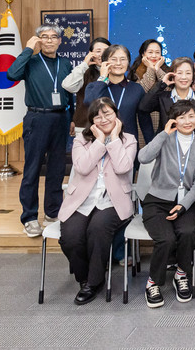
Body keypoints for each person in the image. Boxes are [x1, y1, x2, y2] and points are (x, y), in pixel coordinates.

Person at [58, 98, 136, 305]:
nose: (103, 119)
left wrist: (114, 139)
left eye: (108, 114)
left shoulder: (128, 140)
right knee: (70, 238)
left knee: (98, 229)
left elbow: (122, 167)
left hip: (112, 201)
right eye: (98, 116)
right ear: (91, 120)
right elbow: (82, 167)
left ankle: (93, 282)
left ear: (116, 115)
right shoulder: (81, 140)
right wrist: (100, 141)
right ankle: (85, 278)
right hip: (81, 201)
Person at [137, 100, 195, 308]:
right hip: (157, 201)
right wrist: (163, 134)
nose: (187, 121)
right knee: (166, 239)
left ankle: (181, 273)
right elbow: (143, 157)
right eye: (181, 117)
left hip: (186, 202)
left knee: (188, 232)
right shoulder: (165, 138)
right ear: (173, 120)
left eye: (191, 116)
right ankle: (153, 282)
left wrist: (184, 205)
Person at [7, 23, 72, 237]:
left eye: (54, 37)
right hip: (37, 118)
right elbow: (11, 74)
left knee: (56, 169)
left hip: (61, 118)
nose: (50, 40)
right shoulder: (31, 61)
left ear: (60, 41)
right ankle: (29, 217)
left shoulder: (65, 63)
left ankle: (52, 213)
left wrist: (71, 118)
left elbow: (70, 92)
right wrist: (28, 49)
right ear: (38, 40)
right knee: (33, 169)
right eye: (45, 36)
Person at [84, 44, 154, 144]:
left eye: (123, 59)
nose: (118, 63)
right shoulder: (94, 87)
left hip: (129, 145)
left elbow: (145, 122)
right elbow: (89, 102)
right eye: (113, 59)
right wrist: (103, 78)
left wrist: (152, 146)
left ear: (128, 62)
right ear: (105, 63)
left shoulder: (137, 88)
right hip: (100, 144)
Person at [138, 56, 195, 141]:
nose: (184, 77)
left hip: (194, 147)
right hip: (165, 146)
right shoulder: (163, 97)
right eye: (179, 73)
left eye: (188, 73)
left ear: (193, 77)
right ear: (172, 76)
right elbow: (143, 107)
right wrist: (162, 84)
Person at [61, 37, 111, 133]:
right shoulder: (85, 71)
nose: (102, 54)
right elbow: (67, 86)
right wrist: (84, 64)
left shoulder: (115, 72)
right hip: (84, 126)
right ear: (90, 54)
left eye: (106, 51)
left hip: (110, 126)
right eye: (98, 51)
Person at [129, 39, 169, 141]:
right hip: (142, 119)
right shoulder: (136, 72)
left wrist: (158, 69)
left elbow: (167, 87)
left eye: (157, 52)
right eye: (150, 52)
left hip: (163, 118)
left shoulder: (167, 71)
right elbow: (145, 89)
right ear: (143, 54)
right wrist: (151, 68)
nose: (154, 56)